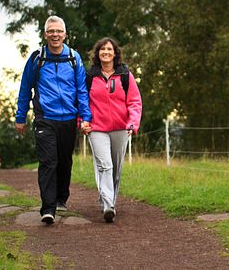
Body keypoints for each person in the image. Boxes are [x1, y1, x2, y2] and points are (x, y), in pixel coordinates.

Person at [15, 15, 92, 224]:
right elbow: (25, 89)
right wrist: (20, 117)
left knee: (64, 161)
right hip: (45, 118)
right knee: (48, 162)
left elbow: (82, 91)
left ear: (65, 34)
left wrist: (86, 117)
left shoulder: (74, 59)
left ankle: (60, 198)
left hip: (68, 119)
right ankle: (48, 208)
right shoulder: (36, 59)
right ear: (45, 34)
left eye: (58, 31)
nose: (55, 35)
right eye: (51, 31)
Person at [81, 37, 142, 223]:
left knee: (115, 168)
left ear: (115, 53)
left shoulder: (125, 75)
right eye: (102, 49)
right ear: (97, 53)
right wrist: (83, 121)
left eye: (109, 49)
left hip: (121, 129)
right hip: (97, 128)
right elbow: (83, 101)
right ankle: (108, 205)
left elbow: (134, 102)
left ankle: (109, 201)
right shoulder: (90, 76)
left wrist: (132, 123)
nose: (106, 52)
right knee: (104, 165)